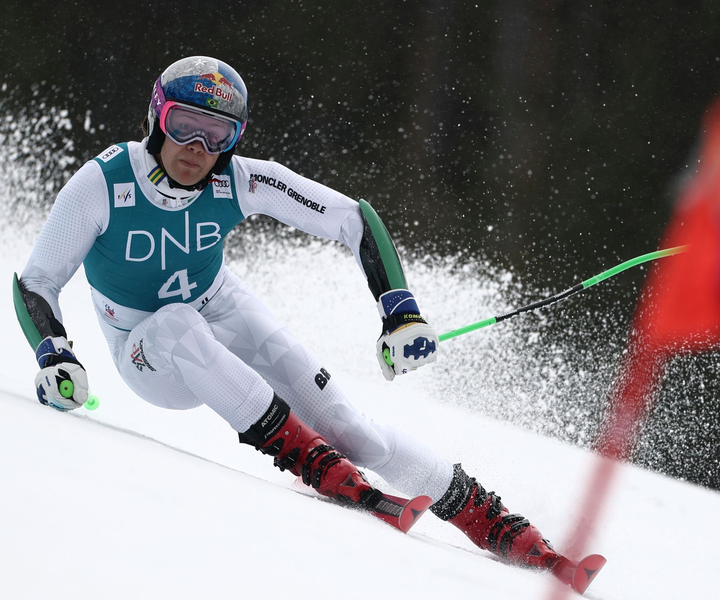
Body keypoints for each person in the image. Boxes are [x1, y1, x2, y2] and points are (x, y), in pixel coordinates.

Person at [13, 56, 600, 592]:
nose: (197, 145)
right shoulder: (104, 183)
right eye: (184, 123)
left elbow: (353, 217)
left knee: (353, 430)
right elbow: (36, 281)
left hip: (218, 306)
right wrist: (55, 354)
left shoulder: (237, 179)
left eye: (218, 133)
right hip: (145, 352)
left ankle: (495, 521)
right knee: (174, 323)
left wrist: (398, 308)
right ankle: (309, 461)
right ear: (157, 117)